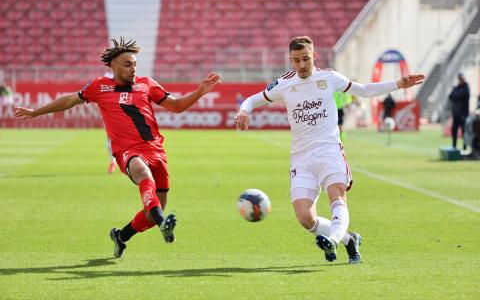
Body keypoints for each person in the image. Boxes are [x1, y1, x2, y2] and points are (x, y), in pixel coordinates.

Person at [14, 37, 221, 258]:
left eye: (134, 64)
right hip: (127, 150)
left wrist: (200, 91)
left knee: (153, 211)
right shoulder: (98, 86)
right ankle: (163, 224)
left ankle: (121, 236)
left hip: (155, 150)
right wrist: (36, 112)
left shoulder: (147, 84)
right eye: (127, 64)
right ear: (113, 66)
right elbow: (68, 100)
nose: (132, 69)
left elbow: (177, 106)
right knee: (144, 176)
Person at [235, 36, 424, 264]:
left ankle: (333, 240)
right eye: (296, 60)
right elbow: (252, 100)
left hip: (329, 150)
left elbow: (363, 90)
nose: (302, 65)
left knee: (337, 195)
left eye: (305, 59)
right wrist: (243, 111)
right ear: (290, 60)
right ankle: (349, 240)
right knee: (306, 218)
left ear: (314, 56)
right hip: (301, 158)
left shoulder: (329, 77)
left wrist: (398, 84)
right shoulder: (284, 83)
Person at [448, 73, 470, 150]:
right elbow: (450, 96)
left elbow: (459, 95)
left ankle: (465, 147)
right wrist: (456, 94)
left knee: (464, 131)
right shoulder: (456, 87)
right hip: (456, 113)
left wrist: (456, 95)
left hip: (463, 114)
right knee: (454, 130)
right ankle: (454, 146)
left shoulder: (466, 87)